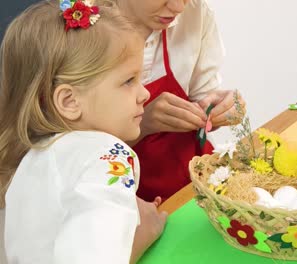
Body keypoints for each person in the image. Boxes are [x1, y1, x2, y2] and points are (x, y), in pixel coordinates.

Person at [0, 1, 166, 263]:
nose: (144, 94)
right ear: (69, 102)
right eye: (128, 81)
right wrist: (142, 236)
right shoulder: (107, 156)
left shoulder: (30, 158)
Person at [101, 0, 246, 202]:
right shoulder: (80, 31)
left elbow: (203, 97)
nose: (179, 7)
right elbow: (73, 158)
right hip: (126, 201)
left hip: (195, 181)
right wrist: (142, 125)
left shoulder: (195, 13)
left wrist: (218, 108)